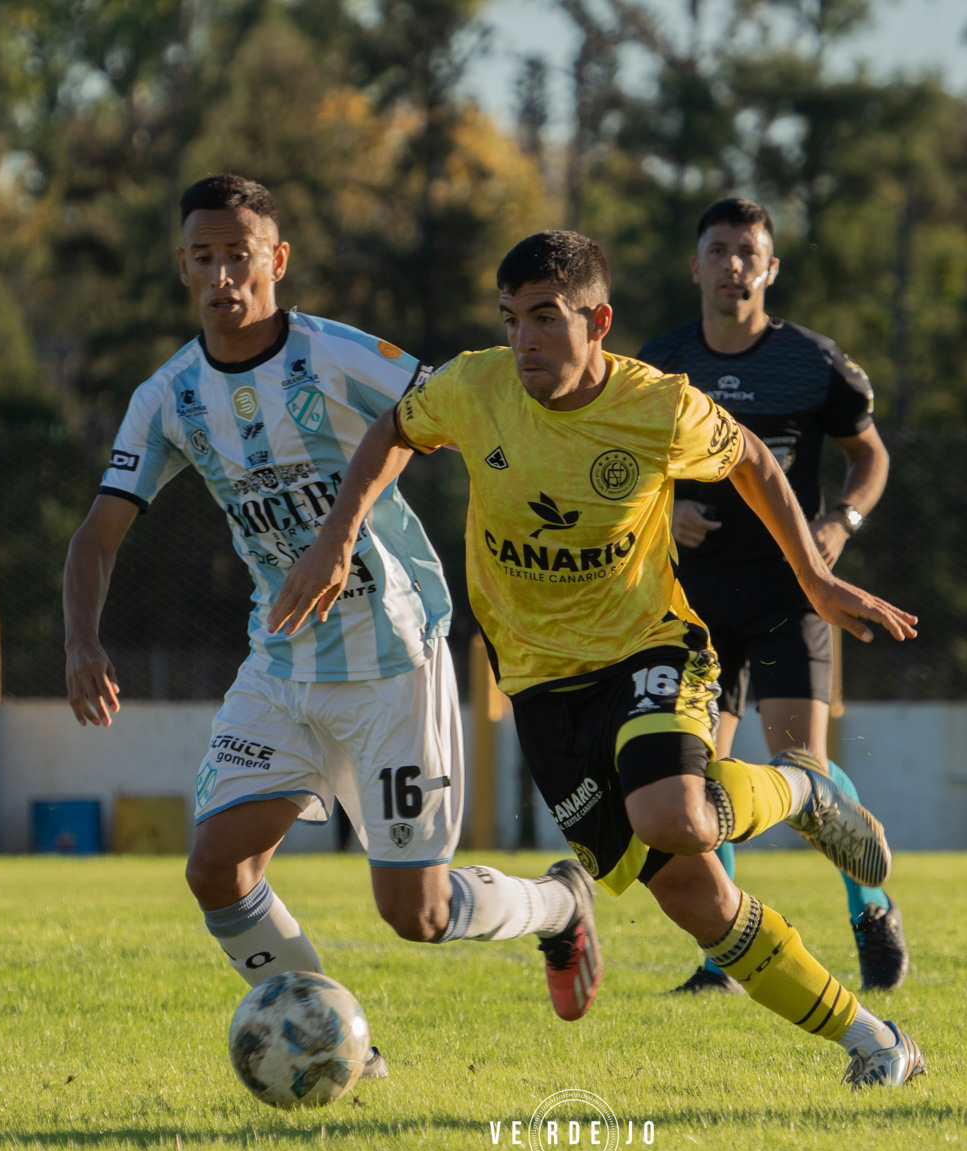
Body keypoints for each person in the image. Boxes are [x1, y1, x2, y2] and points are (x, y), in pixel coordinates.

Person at [272, 230, 928, 1088]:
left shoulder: (657, 404)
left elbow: (756, 461)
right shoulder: (476, 386)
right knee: (697, 903)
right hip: (542, 686)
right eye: (511, 320)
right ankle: (879, 1045)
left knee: (675, 817)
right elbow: (395, 428)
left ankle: (803, 788)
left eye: (546, 318)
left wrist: (814, 574)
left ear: (599, 321)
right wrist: (337, 536)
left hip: (646, 646)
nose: (524, 341)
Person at [62, 176, 597, 1075]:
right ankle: (348, 1051)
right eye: (203, 256)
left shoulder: (336, 355)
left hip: (393, 655)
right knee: (215, 870)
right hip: (280, 664)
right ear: (183, 267)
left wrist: (548, 510)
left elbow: (465, 413)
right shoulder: (168, 398)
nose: (223, 273)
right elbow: (98, 531)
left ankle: (558, 907)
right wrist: (82, 640)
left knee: (415, 916)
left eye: (240, 254)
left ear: (275, 260)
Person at [638, 197, 908, 996]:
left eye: (746, 251)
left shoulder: (813, 363)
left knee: (802, 770)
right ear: (695, 266)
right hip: (696, 603)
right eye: (717, 250)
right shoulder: (659, 364)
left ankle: (872, 907)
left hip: (793, 592)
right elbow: (626, 468)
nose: (731, 265)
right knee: (703, 779)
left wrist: (842, 522)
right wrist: (665, 510)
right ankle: (727, 950)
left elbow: (871, 457)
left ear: (770, 267)